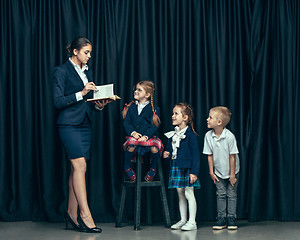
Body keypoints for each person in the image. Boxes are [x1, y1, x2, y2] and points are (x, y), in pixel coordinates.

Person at [53, 36, 110, 233]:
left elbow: (87, 104)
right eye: (86, 52)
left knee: (76, 169)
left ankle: (71, 212)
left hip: (85, 124)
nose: (89, 56)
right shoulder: (60, 71)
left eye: (90, 53)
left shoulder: (88, 71)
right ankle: (86, 215)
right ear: (75, 51)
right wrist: (82, 92)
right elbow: (58, 102)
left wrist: (99, 105)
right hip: (68, 125)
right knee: (80, 166)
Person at [163, 103, 200, 231]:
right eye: (173, 113)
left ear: (185, 118)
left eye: (176, 113)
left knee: (189, 193)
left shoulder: (191, 135)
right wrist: (167, 153)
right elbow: (171, 150)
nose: (173, 116)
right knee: (180, 193)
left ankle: (192, 221)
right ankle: (183, 219)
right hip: (176, 165)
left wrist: (194, 172)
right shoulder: (172, 134)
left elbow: (196, 155)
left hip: (188, 168)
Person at [203, 106, 240, 230]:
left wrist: (232, 175)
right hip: (218, 172)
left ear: (219, 122)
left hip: (232, 171)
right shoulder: (208, 136)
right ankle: (221, 218)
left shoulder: (229, 137)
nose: (207, 119)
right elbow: (210, 155)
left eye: (210, 117)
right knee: (221, 194)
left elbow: (232, 157)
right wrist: (211, 172)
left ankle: (231, 218)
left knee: (231, 194)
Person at [122, 80, 163, 182]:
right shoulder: (130, 107)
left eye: (139, 90)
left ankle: (153, 168)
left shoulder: (154, 109)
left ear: (147, 95)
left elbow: (154, 126)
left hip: (148, 137)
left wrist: (146, 136)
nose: (136, 91)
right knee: (130, 144)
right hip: (134, 137)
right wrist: (133, 133)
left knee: (155, 147)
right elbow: (126, 123)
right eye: (136, 89)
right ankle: (126, 167)